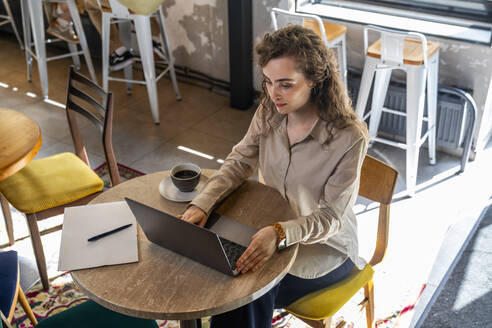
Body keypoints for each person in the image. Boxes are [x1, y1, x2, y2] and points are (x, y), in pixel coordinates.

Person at [179, 25, 369, 327]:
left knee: (247, 288)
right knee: (212, 265)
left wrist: (280, 233)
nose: (273, 94)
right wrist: (202, 203)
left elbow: (331, 218)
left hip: (325, 249)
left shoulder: (348, 138)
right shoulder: (270, 111)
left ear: (314, 79)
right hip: (269, 225)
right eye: (268, 82)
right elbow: (240, 160)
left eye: (285, 84)